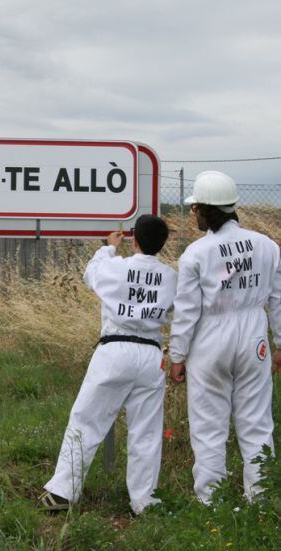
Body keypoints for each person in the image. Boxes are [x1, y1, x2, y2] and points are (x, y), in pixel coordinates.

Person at [40, 215, 177, 514]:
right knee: (147, 431)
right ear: (162, 244)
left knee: (87, 419)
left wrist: (108, 247)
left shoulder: (116, 267)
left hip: (115, 348)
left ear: (134, 240)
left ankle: (63, 491)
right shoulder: (170, 276)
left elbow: (91, 273)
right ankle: (144, 500)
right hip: (152, 354)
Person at [169, 170, 281, 504]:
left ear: (204, 209)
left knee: (208, 425)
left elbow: (186, 311)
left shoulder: (196, 254)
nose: (193, 214)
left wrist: (177, 356)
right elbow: (278, 298)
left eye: (195, 209)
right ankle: (261, 499)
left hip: (210, 339)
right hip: (253, 336)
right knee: (257, 422)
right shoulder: (266, 245)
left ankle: (211, 501)